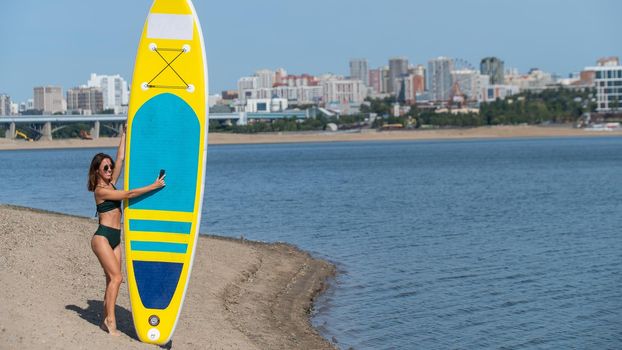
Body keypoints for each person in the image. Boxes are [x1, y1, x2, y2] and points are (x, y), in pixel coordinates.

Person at [87, 127, 165, 336]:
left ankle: (106, 319)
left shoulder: (111, 184)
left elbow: (121, 157)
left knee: (111, 280)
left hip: (115, 239)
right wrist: (154, 186)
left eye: (110, 167)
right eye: (105, 168)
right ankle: (110, 321)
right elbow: (129, 193)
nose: (110, 170)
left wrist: (125, 132)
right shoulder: (101, 190)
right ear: (97, 171)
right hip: (102, 237)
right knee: (117, 278)